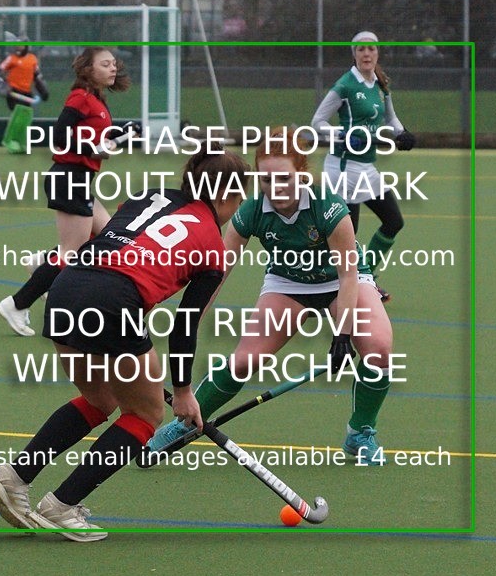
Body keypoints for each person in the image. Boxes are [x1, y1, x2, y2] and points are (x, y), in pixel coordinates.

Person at [0, 146, 248, 541]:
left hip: (66, 288)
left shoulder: (148, 194)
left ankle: (14, 477)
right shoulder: (212, 243)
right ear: (230, 195)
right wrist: (184, 391)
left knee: (99, 400)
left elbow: (112, 237)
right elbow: (185, 324)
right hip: (113, 301)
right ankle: (63, 505)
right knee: (143, 415)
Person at [148, 127, 397, 466]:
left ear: (302, 174)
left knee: (378, 347)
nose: (275, 189)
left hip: (339, 283)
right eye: (266, 180)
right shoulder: (251, 211)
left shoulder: (328, 206)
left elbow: (348, 274)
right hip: (288, 283)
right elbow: (216, 272)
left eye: (284, 178)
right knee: (243, 361)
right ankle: (185, 422)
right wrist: (189, 324)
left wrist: (343, 332)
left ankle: (360, 433)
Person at [0, 46, 134, 336]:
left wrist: (119, 135)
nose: (112, 69)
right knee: (73, 253)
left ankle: (42, 265)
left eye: (113, 64)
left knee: (107, 233)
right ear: (88, 69)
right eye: (105, 64)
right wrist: (91, 148)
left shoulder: (96, 99)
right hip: (69, 178)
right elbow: (59, 136)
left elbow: (94, 140)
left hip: (80, 179)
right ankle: (17, 304)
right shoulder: (80, 97)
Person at [311, 30, 416, 302]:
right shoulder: (345, 86)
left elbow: (390, 118)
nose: (366, 54)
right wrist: (343, 135)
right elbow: (317, 123)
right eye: (360, 50)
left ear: (377, 52)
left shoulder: (381, 83)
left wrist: (402, 133)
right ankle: (325, 286)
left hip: (366, 168)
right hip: (343, 170)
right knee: (347, 236)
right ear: (354, 54)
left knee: (393, 222)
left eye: (371, 49)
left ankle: (365, 279)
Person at [0, 40, 49, 110]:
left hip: (26, 94)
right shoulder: (11, 58)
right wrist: (1, 86)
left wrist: (43, 91)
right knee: (17, 113)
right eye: (16, 45)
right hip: (13, 92)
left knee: (24, 115)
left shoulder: (32, 59)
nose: (18, 47)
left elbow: (37, 76)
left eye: (20, 45)